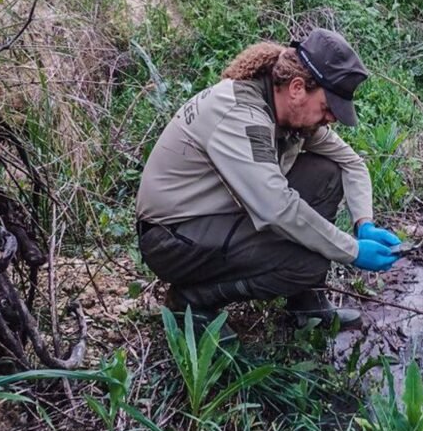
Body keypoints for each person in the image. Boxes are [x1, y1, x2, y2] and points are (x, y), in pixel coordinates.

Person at [136, 28, 403, 335]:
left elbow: (350, 163)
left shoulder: (288, 112)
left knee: (326, 172)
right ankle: (191, 302)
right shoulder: (241, 115)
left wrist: (363, 223)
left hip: (215, 219)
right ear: (297, 88)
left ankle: (307, 304)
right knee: (308, 261)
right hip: (171, 238)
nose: (330, 119)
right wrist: (353, 250)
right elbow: (277, 209)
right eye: (328, 109)